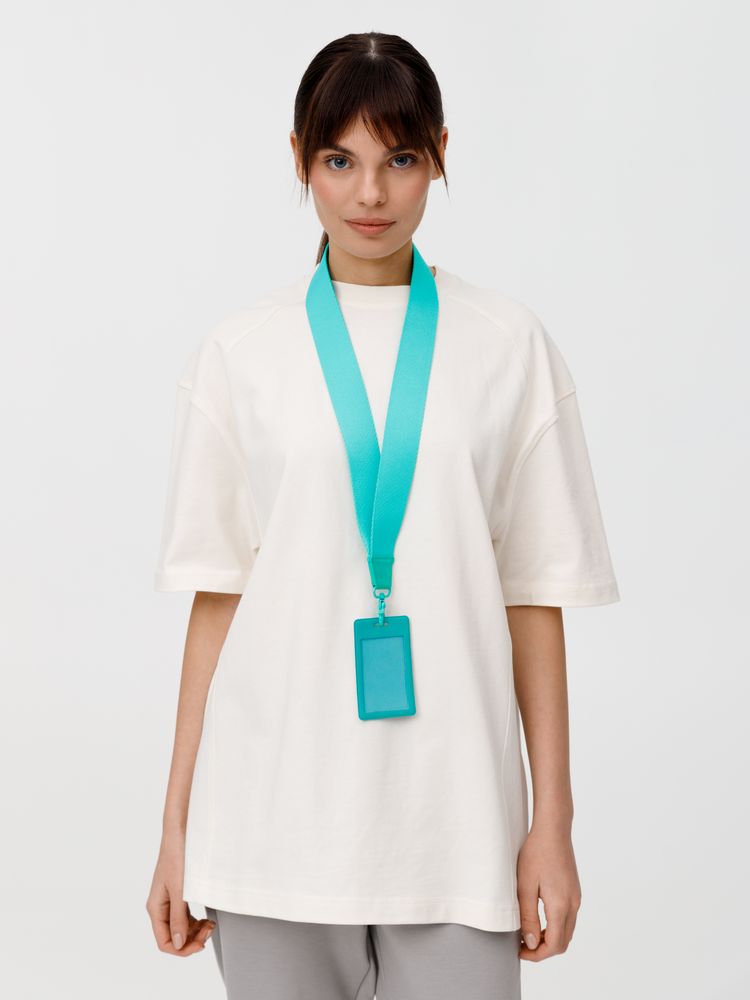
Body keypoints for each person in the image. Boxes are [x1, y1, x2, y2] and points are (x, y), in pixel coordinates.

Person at [145, 30, 620, 1000]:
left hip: (456, 830)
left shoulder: (507, 345)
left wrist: (553, 824)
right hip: (271, 826)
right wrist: (177, 828)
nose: (370, 194)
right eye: (340, 161)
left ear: (439, 153)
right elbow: (219, 601)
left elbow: (534, 599)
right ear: (299, 159)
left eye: (399, 159)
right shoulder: (241, 352)